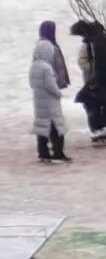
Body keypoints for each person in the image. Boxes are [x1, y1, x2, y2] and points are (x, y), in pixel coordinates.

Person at [31, 23, 68, 161]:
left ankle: (43, 153)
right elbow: (52, 82)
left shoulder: (35, 63)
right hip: (50, 100)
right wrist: (58, 92)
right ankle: (58, 152)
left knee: (42, 125)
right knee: (56, 125)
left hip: (39, 99)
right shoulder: (48, 63)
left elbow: (32, 83)